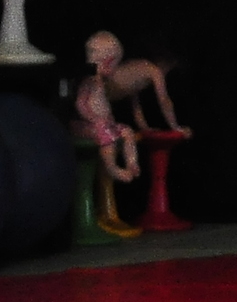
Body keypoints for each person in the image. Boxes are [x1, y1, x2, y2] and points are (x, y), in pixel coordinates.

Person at [75, 30, 185, 186]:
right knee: (105, 132)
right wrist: (175, 126)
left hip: (104, 111)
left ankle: (132, 164)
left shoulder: (138, 74)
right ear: (166, 63)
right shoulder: (153, 70)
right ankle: (112, 168)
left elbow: (135, 106)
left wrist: (144, 128)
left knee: (126, 132)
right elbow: (165, 101)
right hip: (93, 116)